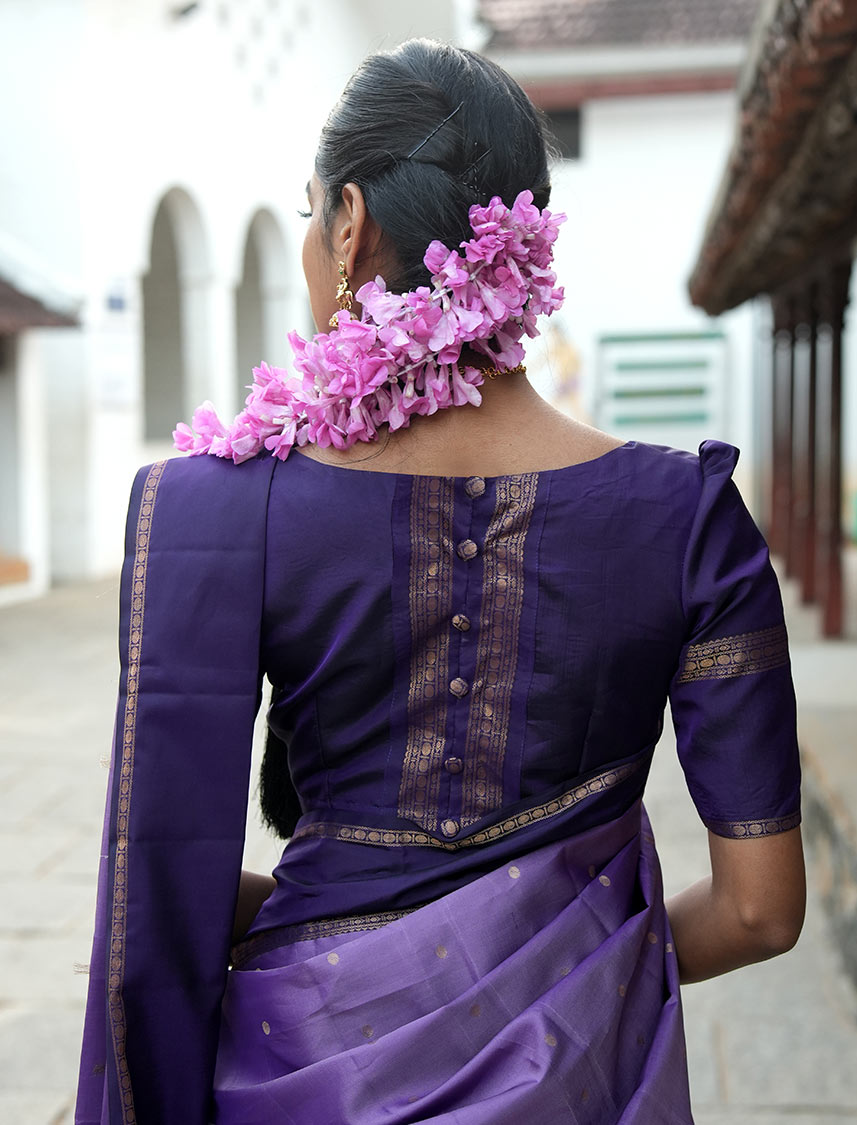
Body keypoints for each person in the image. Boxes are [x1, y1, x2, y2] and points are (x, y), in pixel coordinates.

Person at [76, 38, 805, 1125]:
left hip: (298, 1069)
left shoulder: (219, 513)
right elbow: (758, 913)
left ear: (352, 222)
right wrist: (554, 969)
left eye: (310, 212)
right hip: (582, 1078)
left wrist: (350, 933)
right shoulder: (688, 520)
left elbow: (160, 891)